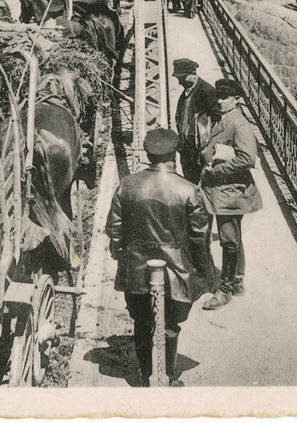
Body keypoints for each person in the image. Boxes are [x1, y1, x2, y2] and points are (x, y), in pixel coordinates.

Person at [106, 128, 212, 387]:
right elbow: (200, 237)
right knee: (171, 324)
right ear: (173, 155)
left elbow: (115, 228)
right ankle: (168, 375)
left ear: (148, 154)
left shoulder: (127, 184)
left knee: (141, 322)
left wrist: (120, 255)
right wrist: (202, 269)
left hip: (136, 268)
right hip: (178, 270)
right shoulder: (189, 190)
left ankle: (145, 376)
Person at [200, 78, 262, 310]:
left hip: (230, 191)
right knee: (233, 236)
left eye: (225, 97)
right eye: (218, 96)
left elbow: (247, 158)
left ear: (237, 99)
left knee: (228, 239)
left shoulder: (239, 124)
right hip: (223, 190)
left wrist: (216, 171)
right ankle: (237, 282)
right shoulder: (224, 119)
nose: (219, 101)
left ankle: (224, 290)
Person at [172, 58, 218, 184]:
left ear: (193, 74)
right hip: (186, 148)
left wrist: (208, 148)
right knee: (189, 182)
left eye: (182, 78)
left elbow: (216, 120)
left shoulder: (207, 91)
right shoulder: (186, 92)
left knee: (201, 183)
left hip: (199, 150)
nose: (180, 82)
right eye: (178, 78)